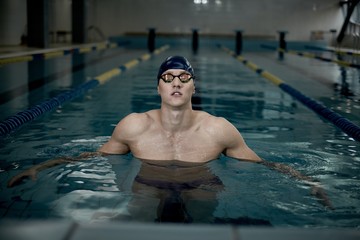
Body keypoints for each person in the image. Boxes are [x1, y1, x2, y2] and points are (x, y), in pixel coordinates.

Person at [7, 56, 333, 210]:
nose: (175, 82)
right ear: (158, 87)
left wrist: (308, 182)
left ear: (194, 87)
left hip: (202, 185)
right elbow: (92, 156)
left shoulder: (217, 129)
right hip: (147, 185)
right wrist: (42, 167)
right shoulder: (134, 125)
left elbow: (264, 165)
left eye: (183, 77)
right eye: (168, 77)